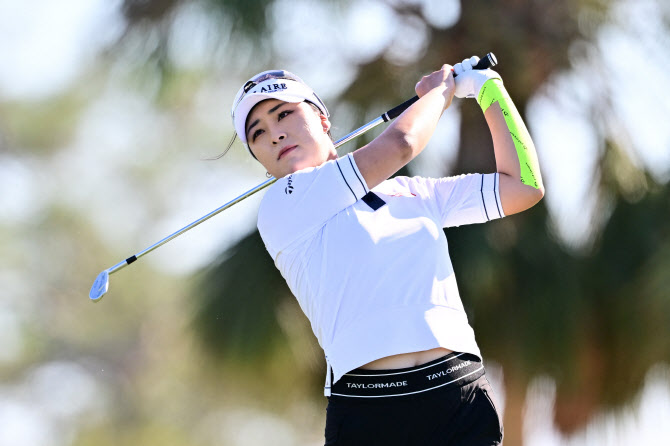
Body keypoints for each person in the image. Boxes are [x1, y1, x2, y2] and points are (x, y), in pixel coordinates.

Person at [229, 56, 544, 445]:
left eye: (284, 114)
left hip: (458, 393)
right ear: (259, 158)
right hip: (369, 408)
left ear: (322, 119)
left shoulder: (412, 191)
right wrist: (439, 94)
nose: (275, 134)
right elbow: (402, 143)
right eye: (258, 133)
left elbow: (523, 186)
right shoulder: (281, 206)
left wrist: (487, 87)